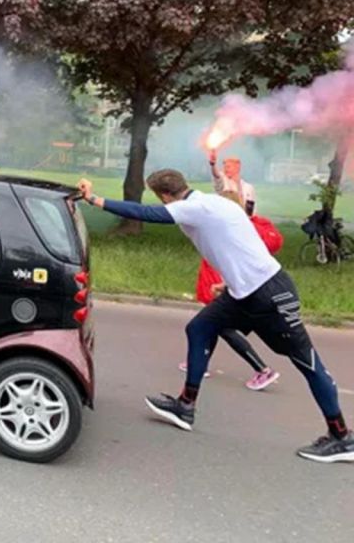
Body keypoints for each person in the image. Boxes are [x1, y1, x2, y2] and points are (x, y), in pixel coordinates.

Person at [77, 169, 352, 463]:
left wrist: (94, 199)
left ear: (165, 196)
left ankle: (342, 438)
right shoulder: (213, 203)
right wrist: (233, 282)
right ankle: (185, 405)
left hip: (270, 294)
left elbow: (147, 213)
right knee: (200, 328)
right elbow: (238, 243)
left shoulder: (194, 208)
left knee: (307, 362)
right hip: (243, 292)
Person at [180, 191, 282, 391]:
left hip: (223, 282)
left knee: (221, 328)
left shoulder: (227, 228)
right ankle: (199, 363)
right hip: (226, 281)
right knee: (209, 325)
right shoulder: (242, 227)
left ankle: (262, 369)